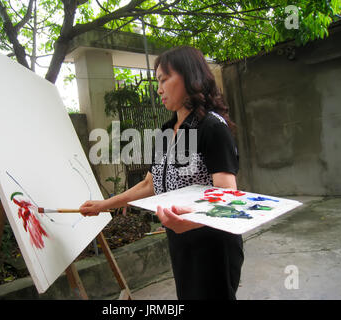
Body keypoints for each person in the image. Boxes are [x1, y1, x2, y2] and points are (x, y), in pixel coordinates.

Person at [79, 46, 244, 300]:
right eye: (157, 81)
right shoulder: (167, 133)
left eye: (164, 79)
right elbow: (150, 185)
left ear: (190, 77)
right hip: (180, 242)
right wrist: (104, 204)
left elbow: (227, 193)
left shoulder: (211, 126)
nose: (158, 89)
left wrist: (189, 221)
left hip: (212, 244)